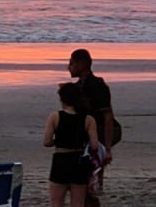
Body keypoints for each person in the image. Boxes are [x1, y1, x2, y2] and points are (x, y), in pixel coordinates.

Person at [68, 48, 113, 206]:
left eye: (72, 63)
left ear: (81, 64)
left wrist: (107, 149)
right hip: (79, 142)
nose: (69, 67)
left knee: (90, 188)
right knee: (79, 187)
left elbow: (108, 117)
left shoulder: (98, 86)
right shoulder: (76, 88)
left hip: (96, 142)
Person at [44, 83, 100, 207]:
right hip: (79, 161)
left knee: (56, 202)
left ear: (62, 99)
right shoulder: (88, 119)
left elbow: (46, 142)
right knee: (78, 203)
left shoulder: (55, 116)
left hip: (61, 159)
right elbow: (94, 146)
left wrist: (58, 141)